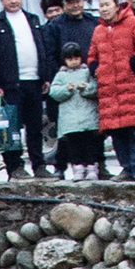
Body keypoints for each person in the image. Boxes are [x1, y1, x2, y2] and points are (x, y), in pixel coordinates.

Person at [0, 0, 55, 179]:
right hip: (9, 85)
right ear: (2, 0)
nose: (14, 0)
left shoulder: (32, 19)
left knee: (35, 126)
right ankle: (15, 168)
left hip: (34, 81)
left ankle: (39, 166)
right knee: (12, 129)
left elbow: (42, 48)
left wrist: (45, 76)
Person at [90, 0, 135, 179]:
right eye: (101, 5)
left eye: (107, 4)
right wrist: (94, 67)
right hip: (109, 88)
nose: (104, 8)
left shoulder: (133, 22)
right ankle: (127, 167)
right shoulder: (98, 30)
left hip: (131, 85)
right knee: (117, 131)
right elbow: (92, 53)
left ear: (117, 6)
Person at [46, 38, 100, 178]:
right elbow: (53, 92)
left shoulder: (87, 72)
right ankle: (77, 169)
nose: (74, 61)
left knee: (90, 144)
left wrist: (86, 88)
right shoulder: (61, 75)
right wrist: (66, 90)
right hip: (70, 118)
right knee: (74, 145)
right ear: (64, 60)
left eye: (76, 58)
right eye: (70, 59)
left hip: (88, 115)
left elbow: (96, 88)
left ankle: (92, 168)